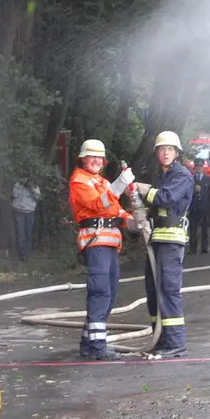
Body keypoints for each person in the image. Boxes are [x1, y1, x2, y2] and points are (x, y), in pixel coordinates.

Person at [69, 138, 136, 360]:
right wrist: (119, 185)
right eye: (92, 156)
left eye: (99, 157)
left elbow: (115, 210)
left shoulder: (103, 182)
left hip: (110, 245)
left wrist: (136, 221)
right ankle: (98, 346)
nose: (96, 160)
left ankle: (89, 343)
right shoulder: (80, 181)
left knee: (110, 294)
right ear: (84, 158)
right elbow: (99, 205)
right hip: (95, 243)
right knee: (100, 293)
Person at [132, 131, 194, 358]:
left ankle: (176, 342)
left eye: (169, 149)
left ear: (176, 152)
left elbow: (164, 198)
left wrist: (143, 189)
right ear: (157, 152)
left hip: (171, 239)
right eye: (161, 149)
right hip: (157, 238)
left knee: (168, 289)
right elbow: (155, 205)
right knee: (152, 289)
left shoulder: (181, 175)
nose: (165, 152)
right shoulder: (163, 176)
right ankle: (160, 339)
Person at [190, 161, 210, 254]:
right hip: (194, 207)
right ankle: (193, 248)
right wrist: (193, 189)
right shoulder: (191, 179)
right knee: (193, 229)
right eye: (197, 166)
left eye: (200, 166)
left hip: (205, 206)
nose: (199, 168)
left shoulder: (207, 179)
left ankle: (204, 247)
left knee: (205, 228)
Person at [12, 176, 40, 262]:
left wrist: (30, 188)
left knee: (28, 234)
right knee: (21, 234)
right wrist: (21, 184)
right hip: (19, 211)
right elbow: (14, 195)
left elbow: (37, 198)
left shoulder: (34, 186)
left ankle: (28, 254)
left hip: (30, 212)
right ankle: (22, 255)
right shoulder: (18, 185)